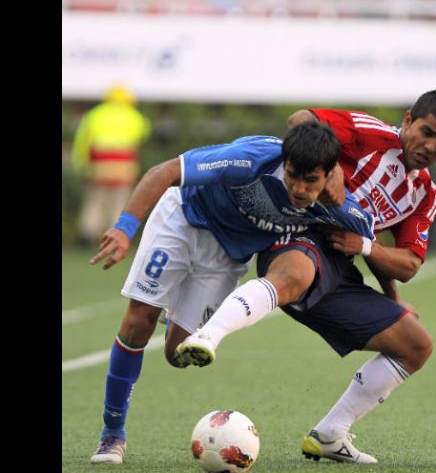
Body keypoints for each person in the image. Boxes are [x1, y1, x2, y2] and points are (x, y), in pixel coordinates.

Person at [175, 90, 436, 464]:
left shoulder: (425, 193)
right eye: (426, 132)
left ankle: (330, 434)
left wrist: (366, 251)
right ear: (408, 120)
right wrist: (334, 169)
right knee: (296, 273)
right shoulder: (368, 132)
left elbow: (408, 264)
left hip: (343, 264)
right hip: (299, 232)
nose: (431, 145)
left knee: (416, 345)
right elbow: (299, 119)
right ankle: (209, 335)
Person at [88, 121, 375, 465]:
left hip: (225, 257)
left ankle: (176, 309)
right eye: (292, 175)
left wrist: (394, 297)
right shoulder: (250, 158)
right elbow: (163, 171)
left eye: (309, 180)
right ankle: (112, 434)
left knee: (177, 355)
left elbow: (372, 242)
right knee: (139, 320)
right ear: (284, 163)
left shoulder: (341, 206)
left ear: (331, 174)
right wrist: (124, 228)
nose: (298, 188)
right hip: (183, 218)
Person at [71, 84, 152, 246]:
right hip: (124, 164)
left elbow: (83, 142)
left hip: (100, 164)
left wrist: (80, 164)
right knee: (120, 200)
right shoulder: (135, 116)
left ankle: (87, 234)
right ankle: (115, 234)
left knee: (96, 199)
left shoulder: (95, 115)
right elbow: (142, 138)